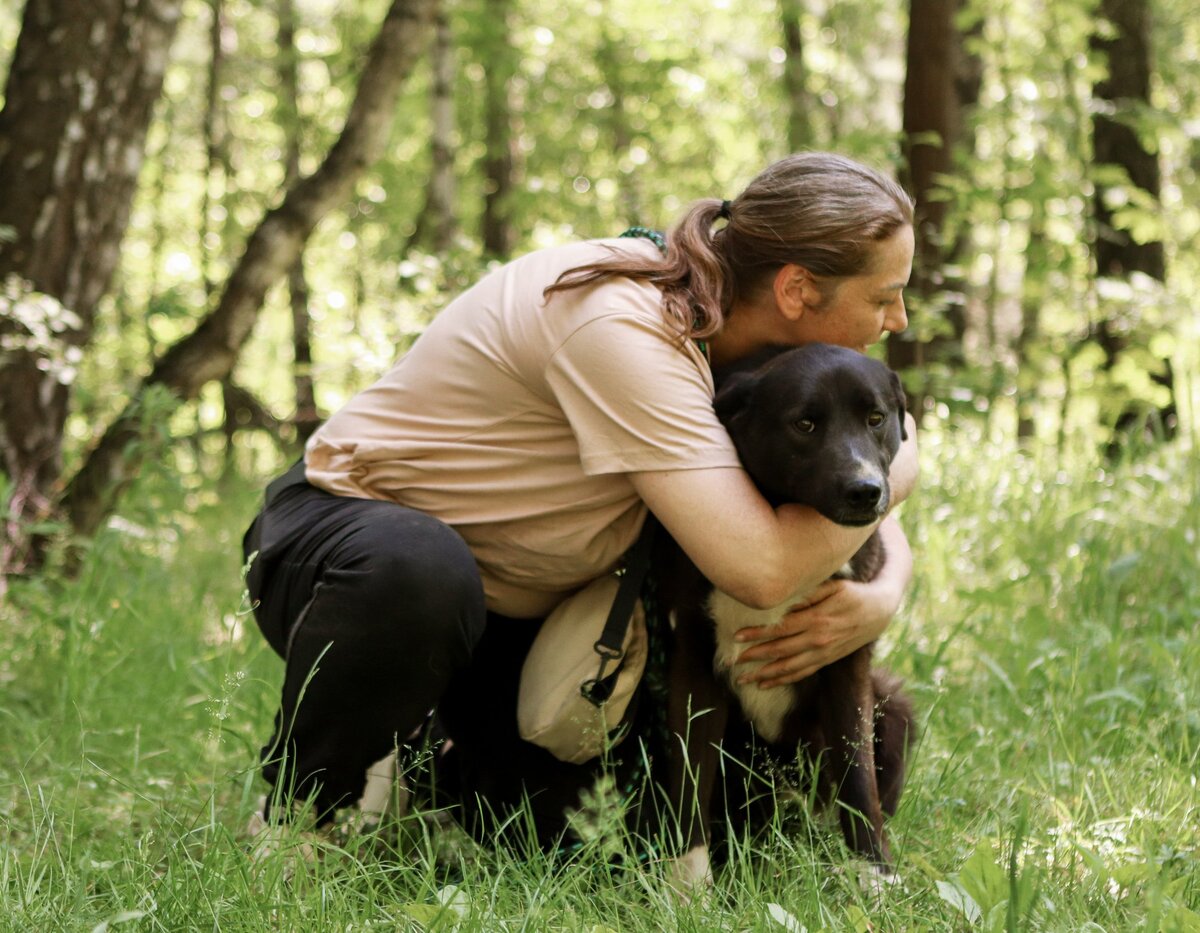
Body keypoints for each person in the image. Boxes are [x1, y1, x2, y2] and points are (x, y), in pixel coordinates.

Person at [242, 151, 919, 830]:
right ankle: (302, 803)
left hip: (511, 607)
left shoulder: (746, 356)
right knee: (420, 571)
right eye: (883, 296)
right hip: (353, 551)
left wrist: (884, 590)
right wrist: (905, 469)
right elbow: (763, 568)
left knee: (582, 830)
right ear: (797, 289)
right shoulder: (627, 328)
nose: (899, 320)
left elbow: (835, 483)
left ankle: (428, 757)